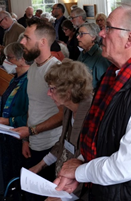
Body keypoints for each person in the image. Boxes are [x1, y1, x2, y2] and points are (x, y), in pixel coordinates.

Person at [54, 3, 131, 201]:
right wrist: (81, 168)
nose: (101, 33)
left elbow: (127, 165)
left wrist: (80, 171)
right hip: (104, 189)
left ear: (130, 39)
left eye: (108, 27)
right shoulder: (114, 74)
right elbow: (100, 135)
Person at [14, 18, 64, 200]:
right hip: (33, 142)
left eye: (27, 38)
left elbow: (63, 115)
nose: (22, 42)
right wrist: (27, 138)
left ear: (43, 42)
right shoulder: (34, 67)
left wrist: (32, 131)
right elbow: (32, 105)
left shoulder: (56, 70)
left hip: (51, 146)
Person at [29, 60, 93, 199]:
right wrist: (39, 166)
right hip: (64, 181)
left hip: (78, 189)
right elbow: (62, 144)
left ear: (68, 91)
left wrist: (61, 197)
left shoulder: (91, 114)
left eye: (52, 88)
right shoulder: (69, 109)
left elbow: (88, 161)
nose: (48, 93)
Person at [0, 42, 30, 188]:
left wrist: (6, 120)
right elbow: (8, 102)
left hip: (20, 136)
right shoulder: (16, 78)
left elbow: (30, 116)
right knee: (9, 171)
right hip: (8, 134)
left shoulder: (29, 82)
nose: (6, 62)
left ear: (22, 59)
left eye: (9, 58)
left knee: (18, 175)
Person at [77, 23, 110, 90]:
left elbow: (105, 87)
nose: (77, 37)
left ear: (93, 37)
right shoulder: (82, 53)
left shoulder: (101, 57)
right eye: (78, 34)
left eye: (81, 34)